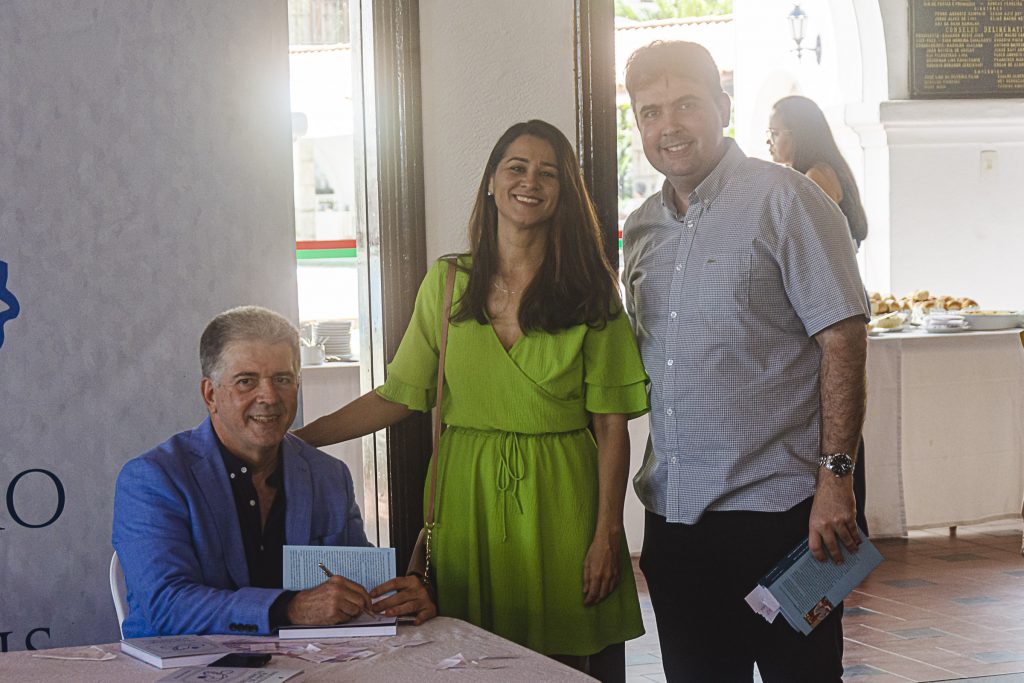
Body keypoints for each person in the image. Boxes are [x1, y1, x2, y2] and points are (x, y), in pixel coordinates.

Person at [295, 120, 648, 681]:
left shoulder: (588, 291)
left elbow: (611, 425)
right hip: (465, 501)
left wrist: (608, 533)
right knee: (463, 662)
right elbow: (399, 395)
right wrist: (297, 442)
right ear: (490, 181)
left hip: (562, 503)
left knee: (561, 665)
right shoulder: (448, 281)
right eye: (517, 167)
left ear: (564, 192)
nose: (530, 181)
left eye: (548, 172)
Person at [620, 41, 869, 682]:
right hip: (677, 523)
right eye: (650, 112)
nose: (668, 125)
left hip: (783, 519)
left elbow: (842, 337)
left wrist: (836, 480)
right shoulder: (642, 228)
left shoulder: (787, 202)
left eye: (686, 105)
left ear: (722, 108)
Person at [112, 306, 435, 638]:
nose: (268, 396)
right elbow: (167, 606)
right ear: (210, 395)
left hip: (312, 667)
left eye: (282, 379)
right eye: (246, 381)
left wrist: (398, 596)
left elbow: (358, 583)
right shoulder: (153, 479)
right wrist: (288, 608)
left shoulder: (329, 476)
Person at [768, 94, 871, 535]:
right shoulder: (816, 174)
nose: (770, 143)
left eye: (775, 132)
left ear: (796, 133)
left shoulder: (811, 183)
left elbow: (816, 263)